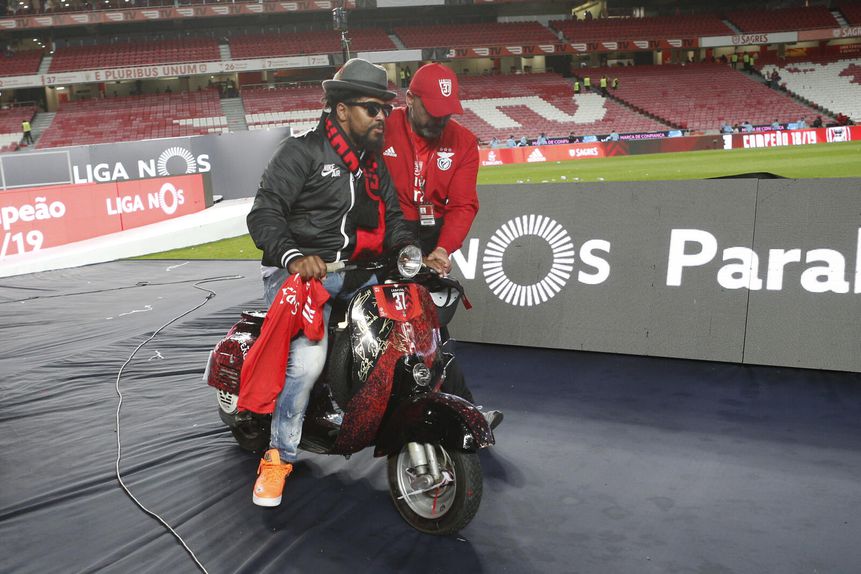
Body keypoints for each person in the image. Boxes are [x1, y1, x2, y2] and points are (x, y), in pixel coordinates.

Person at [245, 58, 415, 507]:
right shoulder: (301, 152)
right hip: (297, 275)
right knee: (307, 361)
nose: (382, 117)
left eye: (386, 110)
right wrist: (295, 256)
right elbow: (264, 213)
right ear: (342, 110)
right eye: (372, 109)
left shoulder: (373, 165)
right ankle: (278, 456)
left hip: (355, 272)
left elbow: (395, 220)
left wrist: (407, 250)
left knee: (406, 329)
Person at [381, 62, 502, 425]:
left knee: (429, 327)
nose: (440, 120)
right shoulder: (382, 129)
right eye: (432, 111)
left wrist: (444, 248)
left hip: (430, 238)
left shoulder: (463, 141)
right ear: (409, 99)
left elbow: (463, 204)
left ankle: (456, 409)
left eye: (446, 113)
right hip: (384, 229)